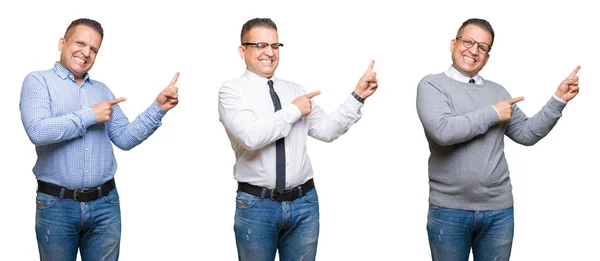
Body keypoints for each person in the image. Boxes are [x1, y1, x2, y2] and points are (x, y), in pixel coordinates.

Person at [416, 18, 580, 261]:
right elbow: (443, 132)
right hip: (449, 211)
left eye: (482, 47)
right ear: (453, 44)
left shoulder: (498, 91)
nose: (474, 50)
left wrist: (558, 99)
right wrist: (493, 113)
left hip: (498, 211)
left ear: (487, 57)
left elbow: (526, 134)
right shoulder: (432, 85)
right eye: (468, 41)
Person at [218, 18, 378, 261]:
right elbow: (251, 136)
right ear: (243, 50)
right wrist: (293, 110)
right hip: (257, 207)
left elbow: (327, 130)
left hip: (304, 204)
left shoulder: (295, 90)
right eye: (261, 45)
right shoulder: (232, 91)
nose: (269, 53)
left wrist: (357, 96)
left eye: (275, 45)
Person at [19, 18, 179, 261]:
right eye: (80, 43)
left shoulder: (102, 90)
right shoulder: (38, 82)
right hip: (56, 207)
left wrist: (158, 108)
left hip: (105, 206)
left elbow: (125, 138)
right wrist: (89, 115)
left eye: (93, 49)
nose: (86, 52)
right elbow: (38, 131)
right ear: (62, 43)